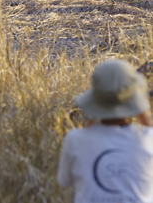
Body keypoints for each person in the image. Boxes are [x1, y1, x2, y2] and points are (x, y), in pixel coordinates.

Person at [57, 59, 153, 203]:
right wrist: (143, 110)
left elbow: (64, 181)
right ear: (137, 102)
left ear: (94, 99)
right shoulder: (148, 138)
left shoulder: (75, 139)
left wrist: (93, 114)